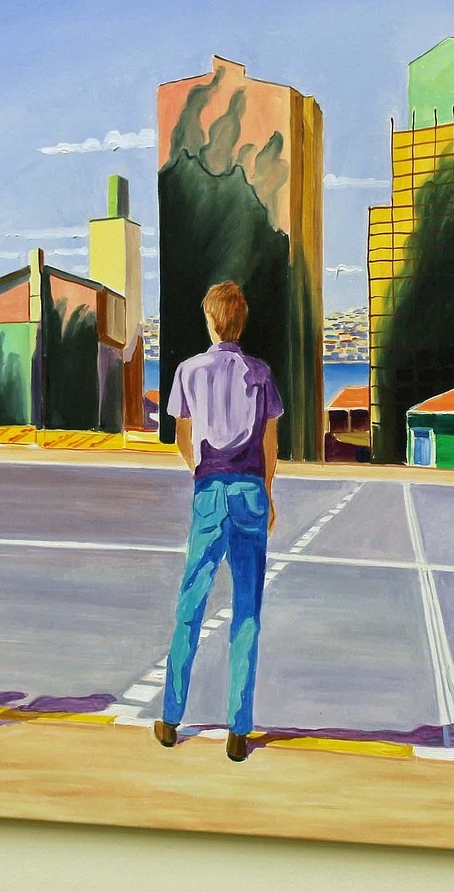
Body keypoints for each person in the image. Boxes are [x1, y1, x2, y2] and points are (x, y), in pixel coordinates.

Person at [153, 282, 282, 762]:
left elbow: (181, 437)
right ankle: (239, 729)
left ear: (210, 320)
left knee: (191, 602)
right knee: (247, 609)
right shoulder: (261, 373)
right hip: (250, 491)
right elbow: (270, 444)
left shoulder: (188, 370)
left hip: (210, 489)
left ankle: (171, 718)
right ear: (241, 323)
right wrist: (268, 493)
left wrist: (201, 472)